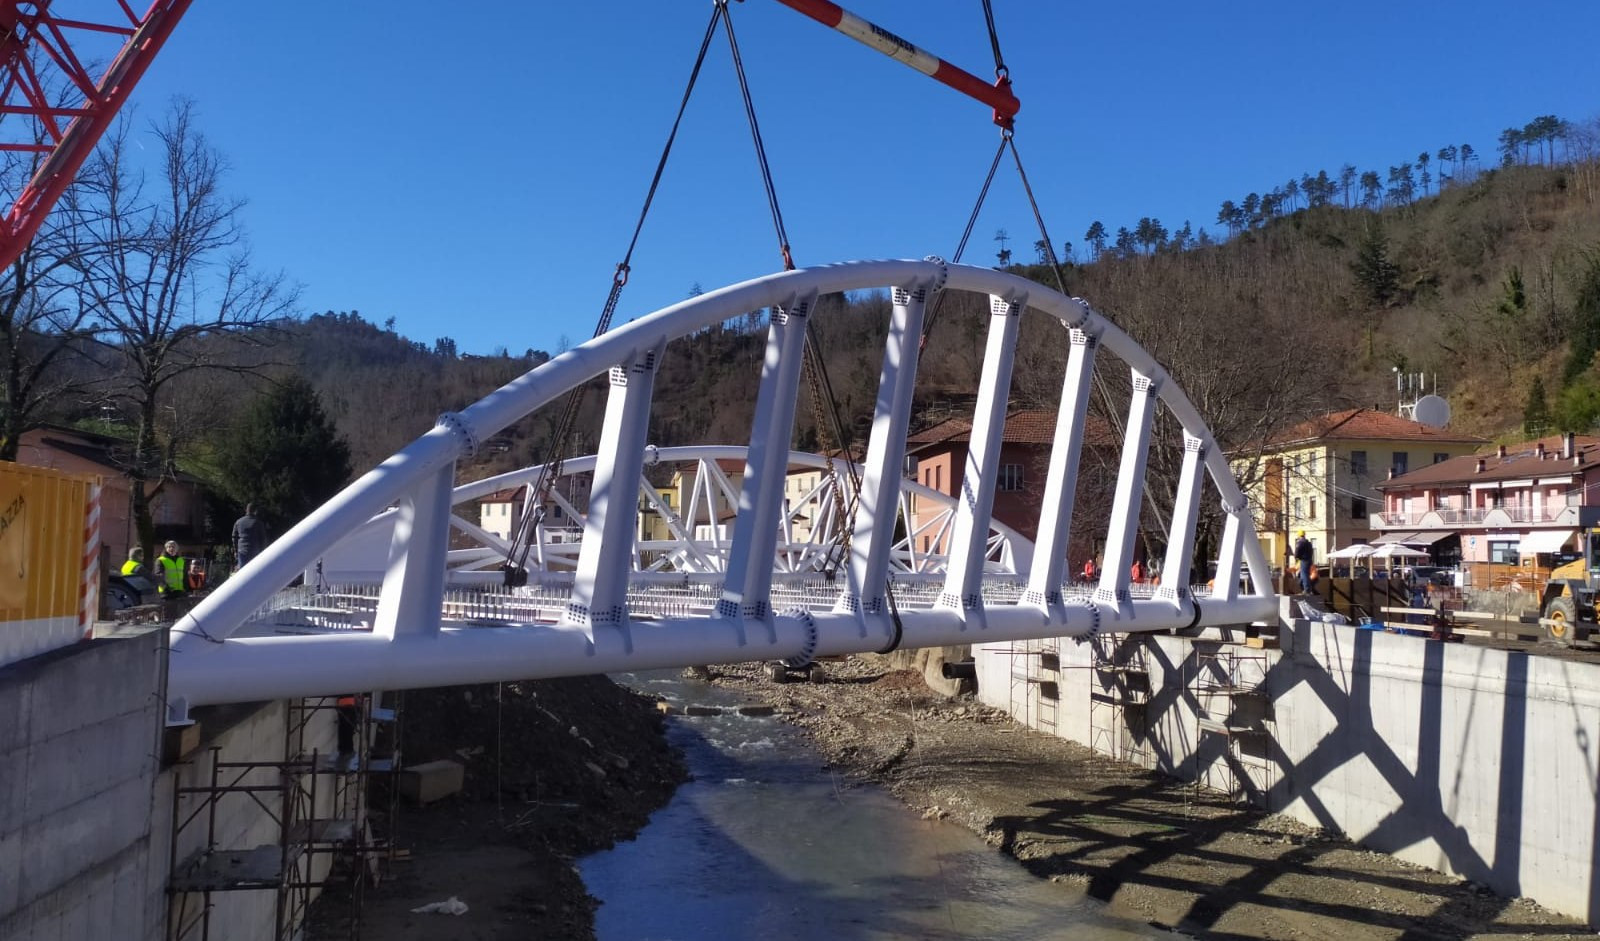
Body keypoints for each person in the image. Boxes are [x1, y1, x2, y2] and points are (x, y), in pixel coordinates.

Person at [156, 540, 188, 615]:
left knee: (179, 616)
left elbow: (185, 576)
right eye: (169, 547)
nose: (171, 549)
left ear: (177, 549)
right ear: (166, 548)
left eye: (173, 547)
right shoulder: (161, 560)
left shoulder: (181, 560)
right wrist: (166, 588)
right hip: (167, 593)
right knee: (168, 615)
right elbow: (158, 577)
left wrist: (186, 588)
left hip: (179, 592)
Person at [233, 503, 266, 569]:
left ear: (246, 510)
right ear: (255, 511)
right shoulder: (258, 523)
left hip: (242, 551)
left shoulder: (238, 522)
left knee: (242, 571)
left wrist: (235, 551)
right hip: (254, 550)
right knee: (253, 570)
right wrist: (262, 551)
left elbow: (234, 537)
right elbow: (263, 539)